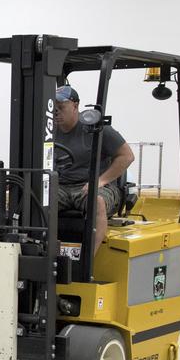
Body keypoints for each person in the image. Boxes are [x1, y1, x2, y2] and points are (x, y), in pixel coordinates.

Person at [52, 84, 135, 253]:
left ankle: (86, 261)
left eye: (61, 107)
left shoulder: (96, 128)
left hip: (93, 185)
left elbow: (127, 156)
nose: (56, 112)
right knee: (33, 200)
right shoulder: (48, 130)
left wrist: (100, 181)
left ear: (75, 106)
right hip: (61, 186)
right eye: (53, 108)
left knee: (96, 201)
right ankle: (44, 255)